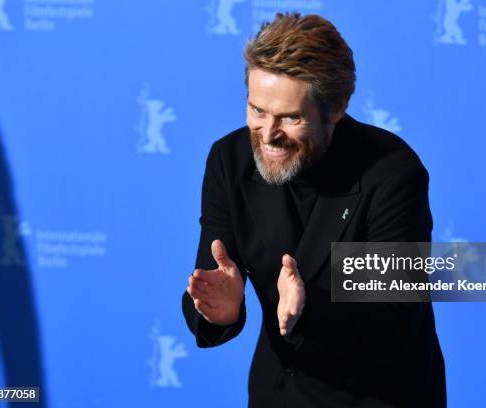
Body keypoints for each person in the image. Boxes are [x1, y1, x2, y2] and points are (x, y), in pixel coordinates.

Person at [182, 13, 446, 407]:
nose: (268, 134)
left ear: (336, 108)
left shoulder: (390, 172)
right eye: (257, 110)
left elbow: (394, 322)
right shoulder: (229, 160)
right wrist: (217, 309)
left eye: (290, 118)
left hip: (378, 396)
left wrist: (307, 311)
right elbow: (213, 278)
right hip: (279, 394)